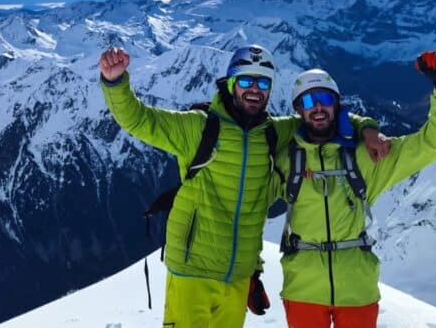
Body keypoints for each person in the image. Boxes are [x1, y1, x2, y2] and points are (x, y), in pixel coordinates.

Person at [98, 44, 388, 328]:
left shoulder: (275, 132)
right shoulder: (198, 127)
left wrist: (368, 128)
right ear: (230, 83)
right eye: (246, 80)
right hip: (192, 269)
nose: (254, 89)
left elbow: (327, 118)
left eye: (263, 82)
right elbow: (139, 119)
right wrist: (115, 82)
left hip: (238, 276)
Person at [275, 52, 436, 328]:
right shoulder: (285, 159)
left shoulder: (367, 156)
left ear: (337, 105)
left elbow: (433, 142)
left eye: (324, 99)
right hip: (302, 289)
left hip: (357, 290)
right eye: (308, 101)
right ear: (298, 110)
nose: (317, 108)